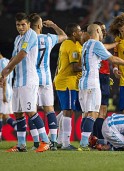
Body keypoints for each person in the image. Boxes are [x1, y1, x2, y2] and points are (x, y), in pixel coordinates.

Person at [78, 24, 124, 150]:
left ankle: (85, 141)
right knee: (94, 113)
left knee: (86, 113)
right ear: (97, 31)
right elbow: (112, 59)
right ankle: (84, 143)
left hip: (82, 82)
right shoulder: (96, 44)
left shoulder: (85, 45)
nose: (102, 34)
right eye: (101, 31)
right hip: (92, 82)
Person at [0, 12, 50, 152]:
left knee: (30, 111)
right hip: (18, 81)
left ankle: (45, 141)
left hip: (29, 79)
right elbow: (13, 59)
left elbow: (22, 54)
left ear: (28, 24)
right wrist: (5, 74)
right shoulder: (17, 38)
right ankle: (21, 145)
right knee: (18, 113)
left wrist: (6, 69)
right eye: (18, 25)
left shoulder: (31, 35)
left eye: (23, 24)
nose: (21, 27)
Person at [28, 13, 67, 150]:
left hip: (31, 79)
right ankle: (54, 142)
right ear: (40, 25)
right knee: (49, 110)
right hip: (46, 79)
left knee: (32, 110)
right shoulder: (48, 38)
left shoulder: (26, 40)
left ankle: (37, 143)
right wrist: (54, 26)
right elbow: (64, 36)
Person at [53, 23, 82, 150]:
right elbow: (75, 67)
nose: (81, 33)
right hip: (67, 82)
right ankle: (65, 143)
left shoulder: (66, 43)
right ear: (74, 33)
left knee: (66, 110)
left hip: (62, 80)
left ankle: (55, 138)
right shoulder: (72, 47)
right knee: (68, 111)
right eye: (79, 31)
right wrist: (88, 66)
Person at [0, 51, 16, 141]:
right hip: (9, 89)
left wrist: (4, 94)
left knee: (1, 115)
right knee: (5, 115)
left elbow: (4, 79)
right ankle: (17, 126)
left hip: (3, 90)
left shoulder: (2, 63)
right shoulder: (7, 61)